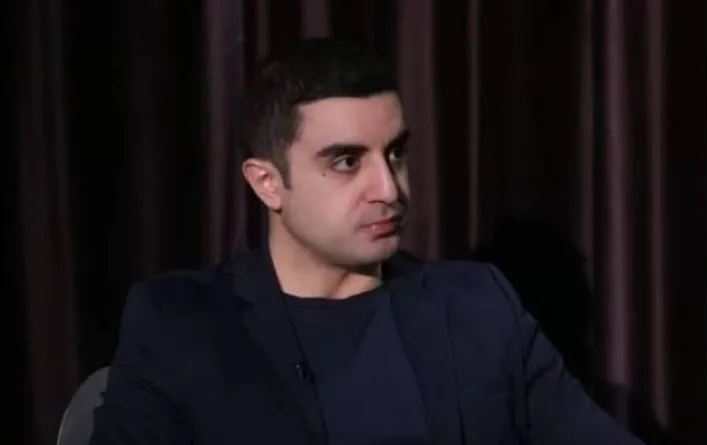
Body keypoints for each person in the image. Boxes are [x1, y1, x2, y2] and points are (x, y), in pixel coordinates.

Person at [89, 38, 644, 445]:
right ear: (267, 183)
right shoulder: (179, 325)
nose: (389, 189)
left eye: (395, 153)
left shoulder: (479, 306)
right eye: (347, 162)